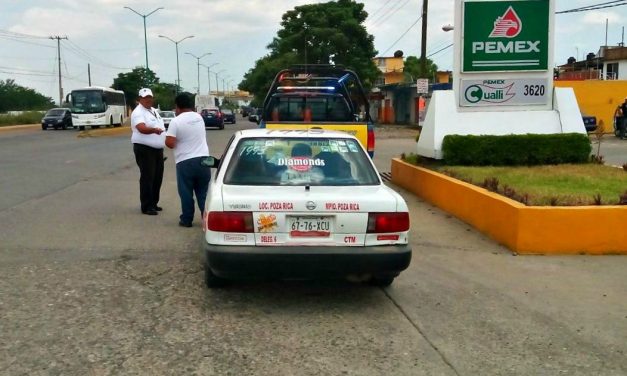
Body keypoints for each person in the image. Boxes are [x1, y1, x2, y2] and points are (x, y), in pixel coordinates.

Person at [165, 92, 211, 227]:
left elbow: (170, 143)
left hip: (185, 161)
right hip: (204, 159)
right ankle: (207, 219)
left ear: (178, 106)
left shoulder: (176, 121)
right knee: (203, 193)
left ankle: (187, 219)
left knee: (186, 192)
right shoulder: (199, 117)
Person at [131, 88, 165, 215]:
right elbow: (141, 128)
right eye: (145, 98)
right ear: (140, 99)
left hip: (157, 149)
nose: (148, 100)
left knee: (157, 177)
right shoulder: (138, 112)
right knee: (147, 177)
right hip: (144, 148)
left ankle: (154, 203)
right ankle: (146, 206)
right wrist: (154, 130)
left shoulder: (154, 110)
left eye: (150, 97)